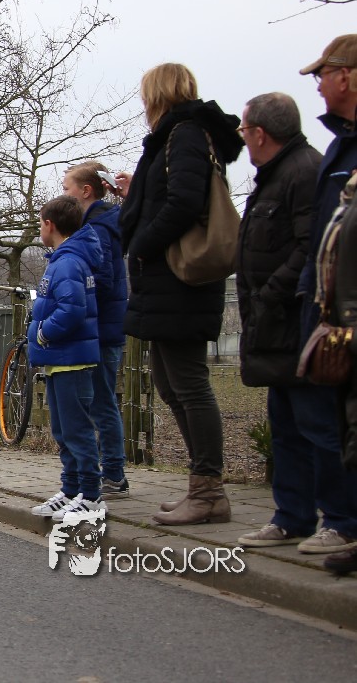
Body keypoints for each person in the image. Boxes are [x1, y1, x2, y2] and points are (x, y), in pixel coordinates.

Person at [115, 63, 242, 525]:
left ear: (158, 94)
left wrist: (143, 244)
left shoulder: (184, 134)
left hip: (179, 280)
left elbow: (184, 202)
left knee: (189, 384)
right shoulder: (178, 136)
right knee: (170, 384)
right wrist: (138, 196)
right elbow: (174, 194)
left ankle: (209, 491)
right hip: (168, 283)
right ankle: (202, 486)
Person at [234, 92, 357, 557]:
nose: (243, 139)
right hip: (276, 327)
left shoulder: (303, 172)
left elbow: (311, 247)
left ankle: (341, 520)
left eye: (245, 130)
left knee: (319, 424)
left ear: (260, 133)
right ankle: (292, 516)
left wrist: (271, 294)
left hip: (296, 321)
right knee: (285, 425)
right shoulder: (277, 174)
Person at [297, 35, 357, 574]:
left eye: (323, 73)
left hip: (350, 308)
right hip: (332, 308)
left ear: (348, 76)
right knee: (341, 420)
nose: (317, 84)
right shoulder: (339, 146)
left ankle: (344, 520)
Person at [26, 196, 105, 521]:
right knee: (63, 430)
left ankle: (92, 496)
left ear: (50, 225)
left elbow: (72, 309)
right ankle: (71, 490)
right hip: (61, 361)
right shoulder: (61, 260)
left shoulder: (69, 262)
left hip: (71, 360)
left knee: (77, 430)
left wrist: (43, 333)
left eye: (40, 223)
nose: (39, 229)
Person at [61, 161, 128, 497]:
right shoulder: (100, 223)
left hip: (101, 328)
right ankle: (108, 470)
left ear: (86, 191)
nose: (64, 194)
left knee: (102, 402)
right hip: (102, 326)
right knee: (100, 401)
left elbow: (101, 279)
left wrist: (72, 293)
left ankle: (114, 473)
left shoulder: (98, 228)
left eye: (67, 188)